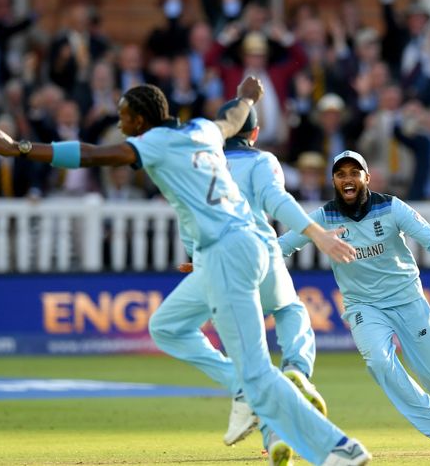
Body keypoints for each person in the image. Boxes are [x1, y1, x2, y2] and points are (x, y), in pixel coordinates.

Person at [0, 78, 371, 466]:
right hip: (238, 248)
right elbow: (233, 119)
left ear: (139, 120)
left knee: (257, 372)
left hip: (226, 254)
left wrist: (21, 149)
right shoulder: (202, 129)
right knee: (166, 326)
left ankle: (337, 448)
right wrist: (248, 96)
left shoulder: (151, 143)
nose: (120, 126)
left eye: (123, 118)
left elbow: (91, 154)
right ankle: (241, 386)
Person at [278, 150, 430, 455]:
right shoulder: (323, 218)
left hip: (407, 299)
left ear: (366, 177)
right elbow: (282, 246)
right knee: (379, 362)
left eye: (355, 172)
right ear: (334, 181)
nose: (348, 179)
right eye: (341, 174)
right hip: (363, 305)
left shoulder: (391, 208)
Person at [149, 98, 349, 460]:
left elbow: (186, 215)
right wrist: (317, 233)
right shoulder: (262, 160)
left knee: (174, 330)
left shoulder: (203, 163)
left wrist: (194, 255)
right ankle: (297, 371)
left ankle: (262, 416)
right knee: (290, 309)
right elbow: (276, 199)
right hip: (260, 254)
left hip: (214, 263)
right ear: (255, 133)